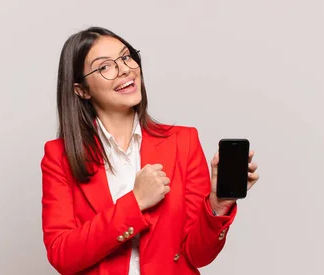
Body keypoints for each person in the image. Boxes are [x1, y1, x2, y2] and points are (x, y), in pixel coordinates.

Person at [40, 26, 260, 275]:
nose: (125, 69)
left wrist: (218, 204)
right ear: (82, 89)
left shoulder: (183, 142)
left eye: (126, 57)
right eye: (105, 66)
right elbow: (62, 255)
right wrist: (135, 202)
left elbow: (198, 255)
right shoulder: (60, 156)